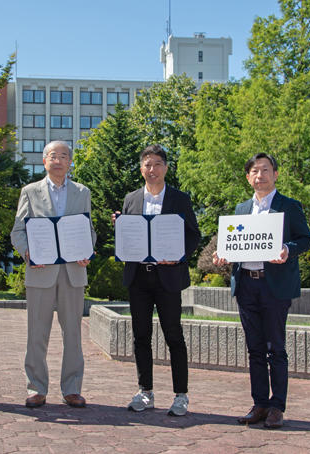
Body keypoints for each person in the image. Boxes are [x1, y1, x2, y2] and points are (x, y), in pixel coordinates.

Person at [213, 153, 310, 429]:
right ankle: (259, 404)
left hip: (275, 286)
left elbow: (306, 240)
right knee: (254, 348)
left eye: (265, 170)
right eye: (255, 171)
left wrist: (288, 250)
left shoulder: (289, 206)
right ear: (248, 177)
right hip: (246, 284)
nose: (260, 175)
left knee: (275, 348)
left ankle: (277, 405)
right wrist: (222, 256)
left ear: (275, 174)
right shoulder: (241, 208)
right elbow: (232, 245)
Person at [10, 140, 96, 409]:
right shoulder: (30, 191)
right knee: (37, 333)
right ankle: (36, 388)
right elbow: (18, 232)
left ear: (70, 162)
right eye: (52, 156)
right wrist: (29, 253)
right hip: (40, 271)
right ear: (44, 161)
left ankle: (72, 389)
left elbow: (88, 229)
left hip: (73, 272)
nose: (58, 160)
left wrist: (87, 250)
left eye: (63, 156)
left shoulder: (82, 192)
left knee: (73, 334)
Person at [116, 144, 201, 416]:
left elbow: (193, 235)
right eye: (147, 165)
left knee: (173, 336)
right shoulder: (130, 199)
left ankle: (181, 395)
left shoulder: (180, 198)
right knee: (141, 336)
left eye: (157, 164)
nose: (151, 170)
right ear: (141, 169)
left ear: (165, 167)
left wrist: (178, 255)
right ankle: (145, 392)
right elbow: (127, 237)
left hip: (168, 278)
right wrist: (120, 227)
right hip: (138, 277)